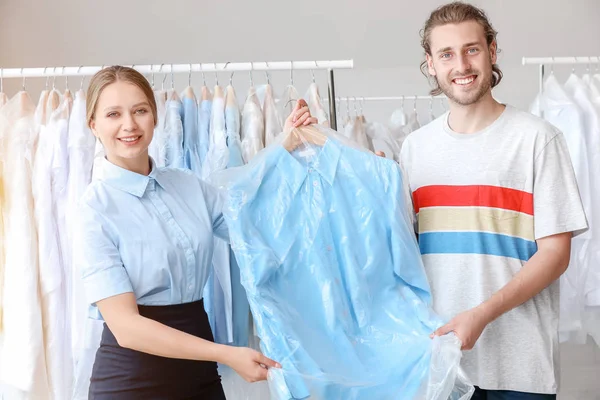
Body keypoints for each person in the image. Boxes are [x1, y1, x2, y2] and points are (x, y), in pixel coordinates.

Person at [73, 65, 317, 399]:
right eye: (113, 114)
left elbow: (252, 218)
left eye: (140, 110)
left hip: (199, 377)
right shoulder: (94, 209)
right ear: (93, 125)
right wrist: (226, 353)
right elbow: (126, 328)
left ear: (155, 117)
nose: (129, 125)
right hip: (132, 381)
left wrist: (283, 148)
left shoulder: (186, 185)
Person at [399, 2, 588, 399]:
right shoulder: (415, 150)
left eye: (472, 49)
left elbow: (555, 254)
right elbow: (401, 251)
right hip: (441, 364)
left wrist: (481, 315)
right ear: (430, 65)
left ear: (492, 52)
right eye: (446, 54)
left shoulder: (538, 139)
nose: (461, 65)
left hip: (519, 368)